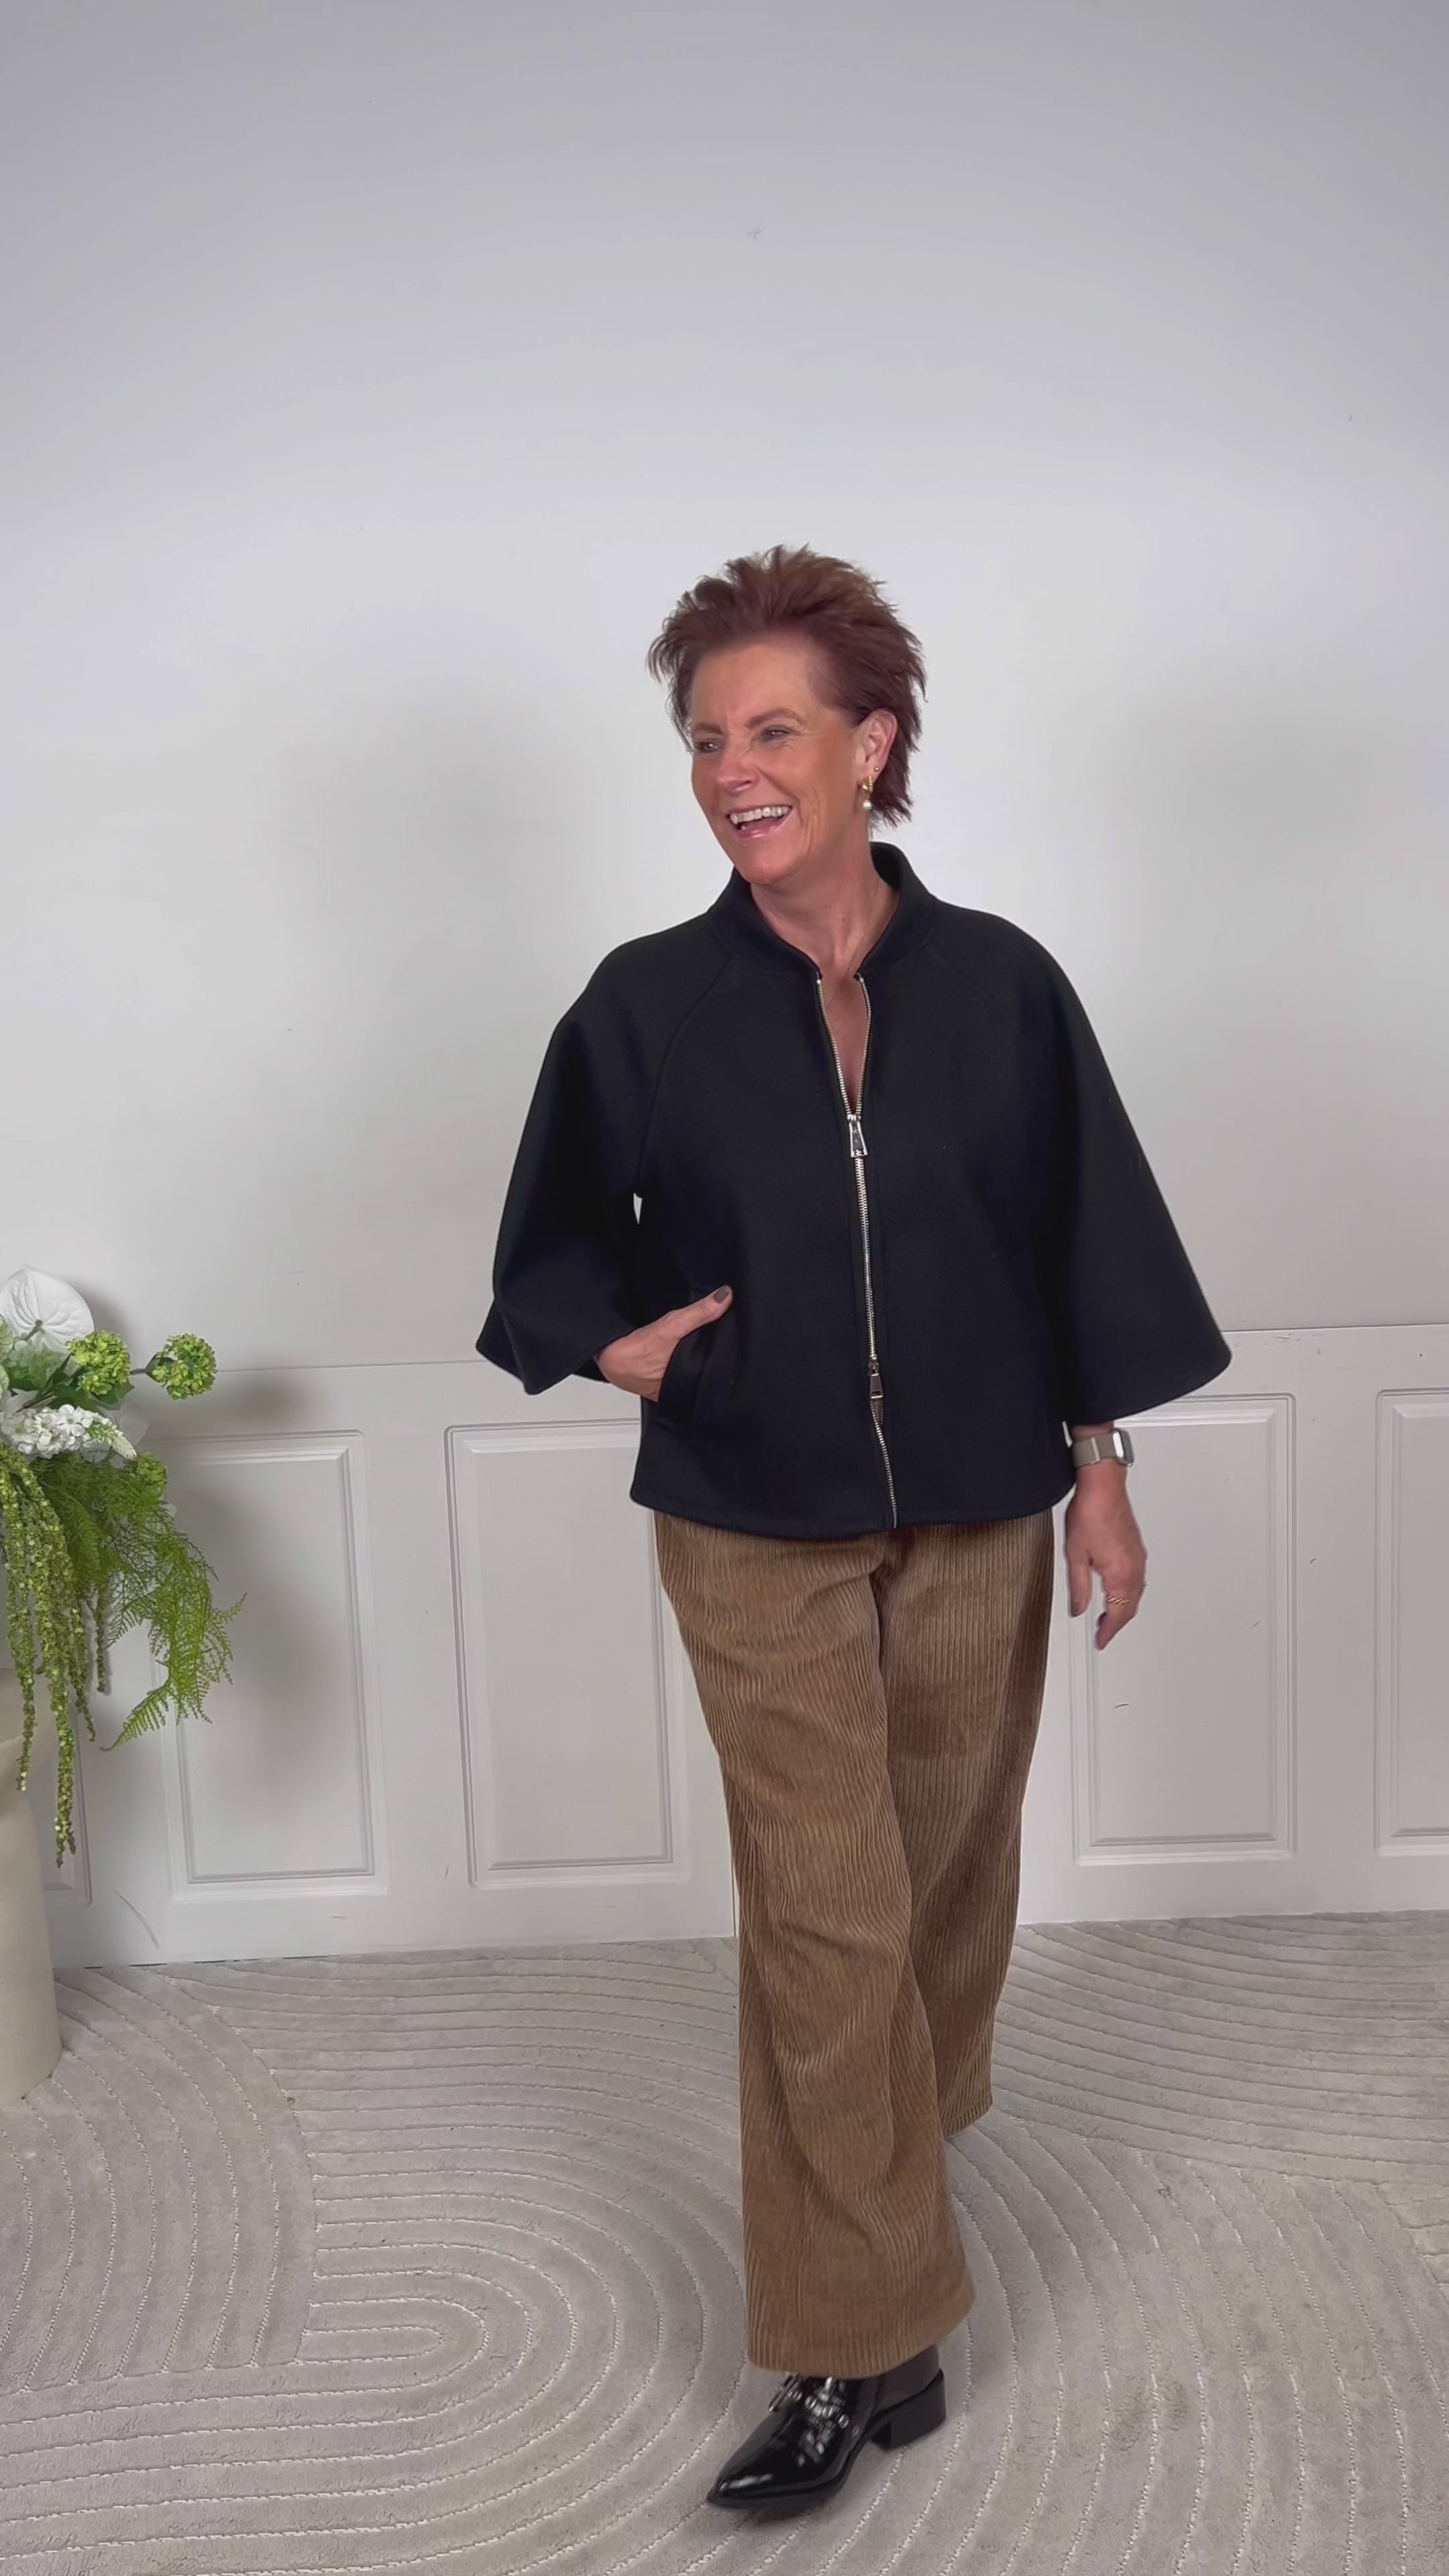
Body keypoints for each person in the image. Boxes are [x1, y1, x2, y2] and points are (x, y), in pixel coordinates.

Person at [477, 542, 1231, 2514]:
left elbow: (1081, 1238)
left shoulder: (1002, 987)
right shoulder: (645, 1006)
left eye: (773, 729)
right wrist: (618, 1343)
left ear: (872, 744)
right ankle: (850, 2338)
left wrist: (1105, 1472)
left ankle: (892, 2151)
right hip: (751, 1510)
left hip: (984, 1506)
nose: (733, 768)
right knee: (825, 1917)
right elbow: (549, 1241)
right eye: (705, 738)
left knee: (946, 1888)